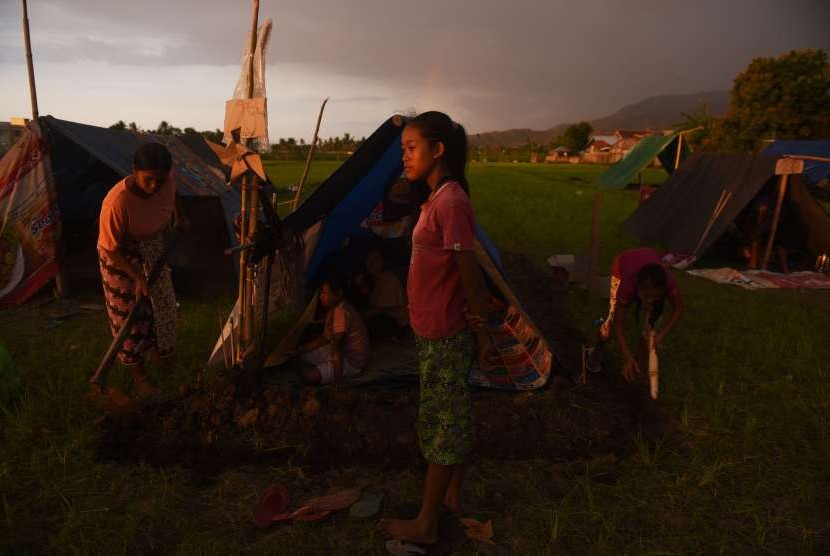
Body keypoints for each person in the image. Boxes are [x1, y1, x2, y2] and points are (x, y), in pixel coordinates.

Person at [384, 111, 494, 545]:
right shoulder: (434, 198)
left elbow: (470, 274)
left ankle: (426, 524)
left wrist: (482, 334)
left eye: (411, 148)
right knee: (452, 417)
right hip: (433, 331)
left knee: (442, 425)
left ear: (438, 149)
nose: (405, 157)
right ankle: (450, 501)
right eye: (403, 150)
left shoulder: (451, 202)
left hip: (446, 333)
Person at [97, 143, 188, 397]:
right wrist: (137, 277)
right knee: (131, 315)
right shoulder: (117, 203)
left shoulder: (167, 180)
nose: (154, 187)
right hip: (120, 253)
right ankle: (139, 375)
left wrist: (179, 216)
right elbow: (110, 248)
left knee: (165, 303)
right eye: (148, 180)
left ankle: (164, 355)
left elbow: (173, 191)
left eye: (159, 180)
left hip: (152, 242)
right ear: (134, 171)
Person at [587, 248, 684, 382]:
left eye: (655, 296)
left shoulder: (669, 284)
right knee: (612, 318)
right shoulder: (627, 285)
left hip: (647, 259)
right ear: (637, 287)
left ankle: (637, 366)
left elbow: (678, 310)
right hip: (622, 264)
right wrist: (626, 356)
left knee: (650, 328)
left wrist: (660, 336)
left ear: (663, 289)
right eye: (645, 296)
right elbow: (618, 324)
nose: (649, 300)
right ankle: (597, 351)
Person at [293, 276, 370, 385]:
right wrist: (300, 349)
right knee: (301, 355)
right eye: (321, 293)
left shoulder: (342, 312)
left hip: (352, 361)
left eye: (324, 293)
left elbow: (336, 349)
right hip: (339, 351)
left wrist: (338, 383)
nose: (321, 297)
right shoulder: (332, 309)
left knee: (308, 377)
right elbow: (325, 338)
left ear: (338, 294)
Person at [356, 246, 410, 340]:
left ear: (383, 261)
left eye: (376, 259)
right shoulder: (371, 280)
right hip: (383, 318)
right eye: (368, 259)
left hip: (396, 324)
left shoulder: (388, 279)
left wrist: (359, 317)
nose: (371, 263)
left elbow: (381, 310)